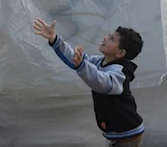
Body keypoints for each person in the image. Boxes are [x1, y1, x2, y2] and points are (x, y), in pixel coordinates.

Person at [33, 18, 145, 147]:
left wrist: (82, 65)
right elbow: (74, 58)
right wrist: (54, 39)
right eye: (109, 35)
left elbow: (102, 82)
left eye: (112, 39)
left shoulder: (120, 72)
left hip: (128, 134)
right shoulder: (99, 61)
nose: (105, 38)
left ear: (120, 53)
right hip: (117, 133)